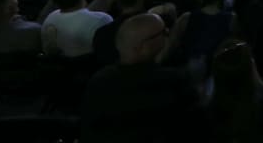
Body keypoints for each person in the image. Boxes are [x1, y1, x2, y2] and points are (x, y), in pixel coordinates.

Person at [82, 14, 205, 143]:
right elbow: (197, 128)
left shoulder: (98, 81)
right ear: (142, 46)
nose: (168, 34)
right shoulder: (174, 81)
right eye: (164, 32)